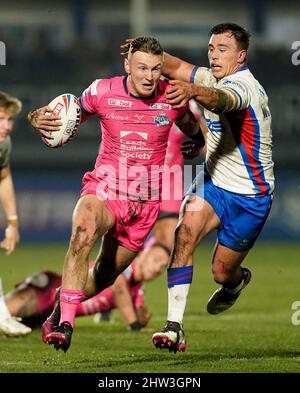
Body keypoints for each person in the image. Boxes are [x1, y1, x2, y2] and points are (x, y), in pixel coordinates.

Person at [27, 36, 205, 352]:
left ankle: (57, 309)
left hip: (145, 206)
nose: (149, 76)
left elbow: (194, 129)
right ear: (127, 66)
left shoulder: (172, 98)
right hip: (105, 190)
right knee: (82, 232)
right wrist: (36, 118)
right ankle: (66, 325)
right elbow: (68, 116)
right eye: (141, 68)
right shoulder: (101, 91)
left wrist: (198, 142)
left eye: (155, 69)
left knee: (105, 275)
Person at [149, 23, 275, 353]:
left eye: (222, 49)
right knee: (184, 233)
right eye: (210, 48)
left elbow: (221, 100)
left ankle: (235, 283)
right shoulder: (209, 77)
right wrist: (146, 53)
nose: (214, 54)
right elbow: (174, 66)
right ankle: (174, 326)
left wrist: (191, 92)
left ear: (241, 55)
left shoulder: (245, 88)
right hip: (214, 182)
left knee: (221, 272)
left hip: (251, 197)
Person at [4, 241, 169, 332]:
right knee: (3, 312)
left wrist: (141, 318)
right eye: (155, 260)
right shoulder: (124, 268)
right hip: (50, 291)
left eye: (162, 267)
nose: (157, 269)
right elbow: (117, 287)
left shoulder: (137, 287)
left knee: (14, 327)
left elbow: (135, 310)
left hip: (52, 313)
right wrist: (134, 325)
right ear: (142, 255)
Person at [0, 91, 32, 337]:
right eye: (1, 119)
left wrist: (12, 222)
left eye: (10, 120)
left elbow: (4, 177)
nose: (7, 126)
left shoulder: (3, 143)